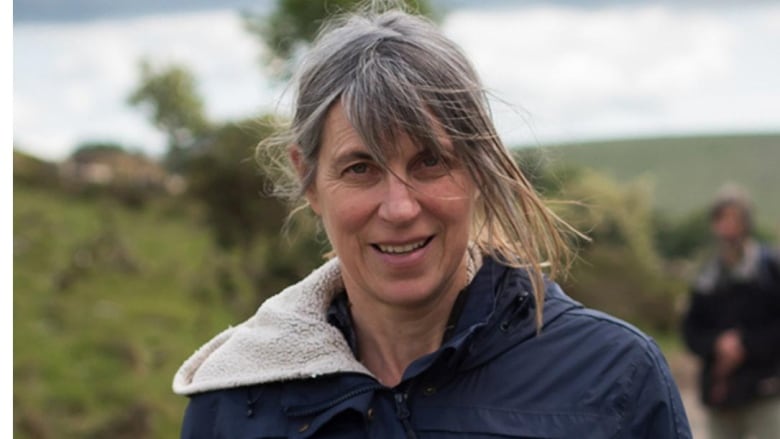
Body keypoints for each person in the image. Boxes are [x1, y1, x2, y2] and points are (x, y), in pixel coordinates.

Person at [173, 5, 691, 438]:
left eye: (430, 162)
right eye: (361, 168)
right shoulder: (234, 403)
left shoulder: (611, 378)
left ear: (478, 169)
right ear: (307, 179)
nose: (399, 208)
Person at [682, 185, 780, 439]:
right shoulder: (706, 277)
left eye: (734, 219)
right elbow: (691, 331)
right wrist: (717, 344)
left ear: (746, 223)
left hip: (766, 389)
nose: (728, 227)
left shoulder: (769, 269)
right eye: (722, 219)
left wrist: (745, 344)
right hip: (721, 394)